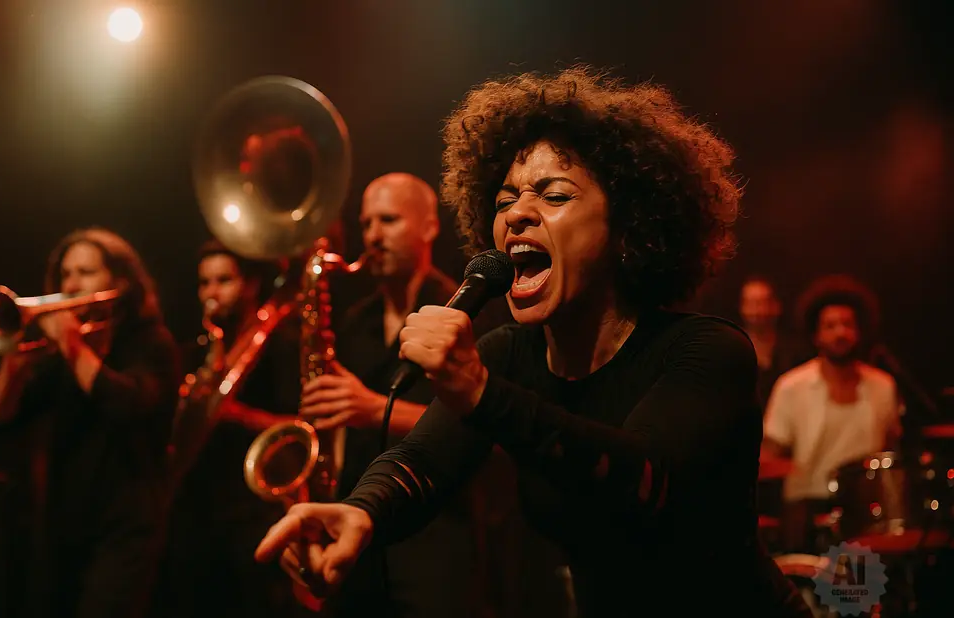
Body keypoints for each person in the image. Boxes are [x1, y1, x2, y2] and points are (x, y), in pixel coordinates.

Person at [254, 66, 814, 617]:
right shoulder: (507, 355)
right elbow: (421, 461)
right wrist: (361, 512)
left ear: (629, 225)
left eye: (554, 195)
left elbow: (644, 483)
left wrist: (479, 393)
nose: (518, 214)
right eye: (503, 201)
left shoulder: (706, 352)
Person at [295, 172, 514, 618]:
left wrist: (371, 408)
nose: (373, 236)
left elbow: (486, 429)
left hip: (438, 531)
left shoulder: (468, 311)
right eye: (367, 223)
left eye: (389, 220)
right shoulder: (355, 322)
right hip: (359, 522)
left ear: (429, 227)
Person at [0, 227, 181, 618]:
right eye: (66, 274)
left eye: (85, 272)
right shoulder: (60, 354)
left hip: (127, 526)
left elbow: (128, 402)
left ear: (120, 282)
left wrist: (72, 347)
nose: (71, 285)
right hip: (65, 521)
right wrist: (13, 369)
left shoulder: (150, 342)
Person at [151, 239, 304, 618]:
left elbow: (301, 429)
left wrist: (235, 414)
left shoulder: (280, 345)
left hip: (255, 508)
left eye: (224, 280)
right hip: (199, 511)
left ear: (251, 285)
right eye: (205, 283)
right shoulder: (196, 351)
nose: (212, 293)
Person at [761, 274, 902, 553]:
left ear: (860, 330)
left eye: (847, 324)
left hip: (866, 511)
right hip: (806, 509)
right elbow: (769, 456)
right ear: (816, 334)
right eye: (830, 325)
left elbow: (890, 452)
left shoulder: (883, 386)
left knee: (863, 591)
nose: (840, 333)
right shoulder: (791, 386)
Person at [738, 276, 810, 409]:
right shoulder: (732, 349)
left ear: (776, 306)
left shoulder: (796, 351)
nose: (757, 310)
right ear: (742, 307)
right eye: (751, 303)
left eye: (761, 302)